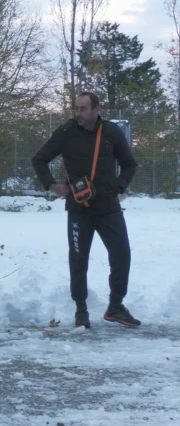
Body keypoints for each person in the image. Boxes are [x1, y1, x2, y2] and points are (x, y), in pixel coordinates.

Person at [31, 91, 139, 328]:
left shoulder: (111, 132)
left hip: (109, 208)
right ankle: (81, 309)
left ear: (96, 110)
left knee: (121, 256)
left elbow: (130, 164)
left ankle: (116, 307)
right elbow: (39, 159)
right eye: (76, 108)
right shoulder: (65, 133)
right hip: (78, 209)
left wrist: (118, 187)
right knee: (78, 260)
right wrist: (52, 185)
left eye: (83, 109)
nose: (78, 113)